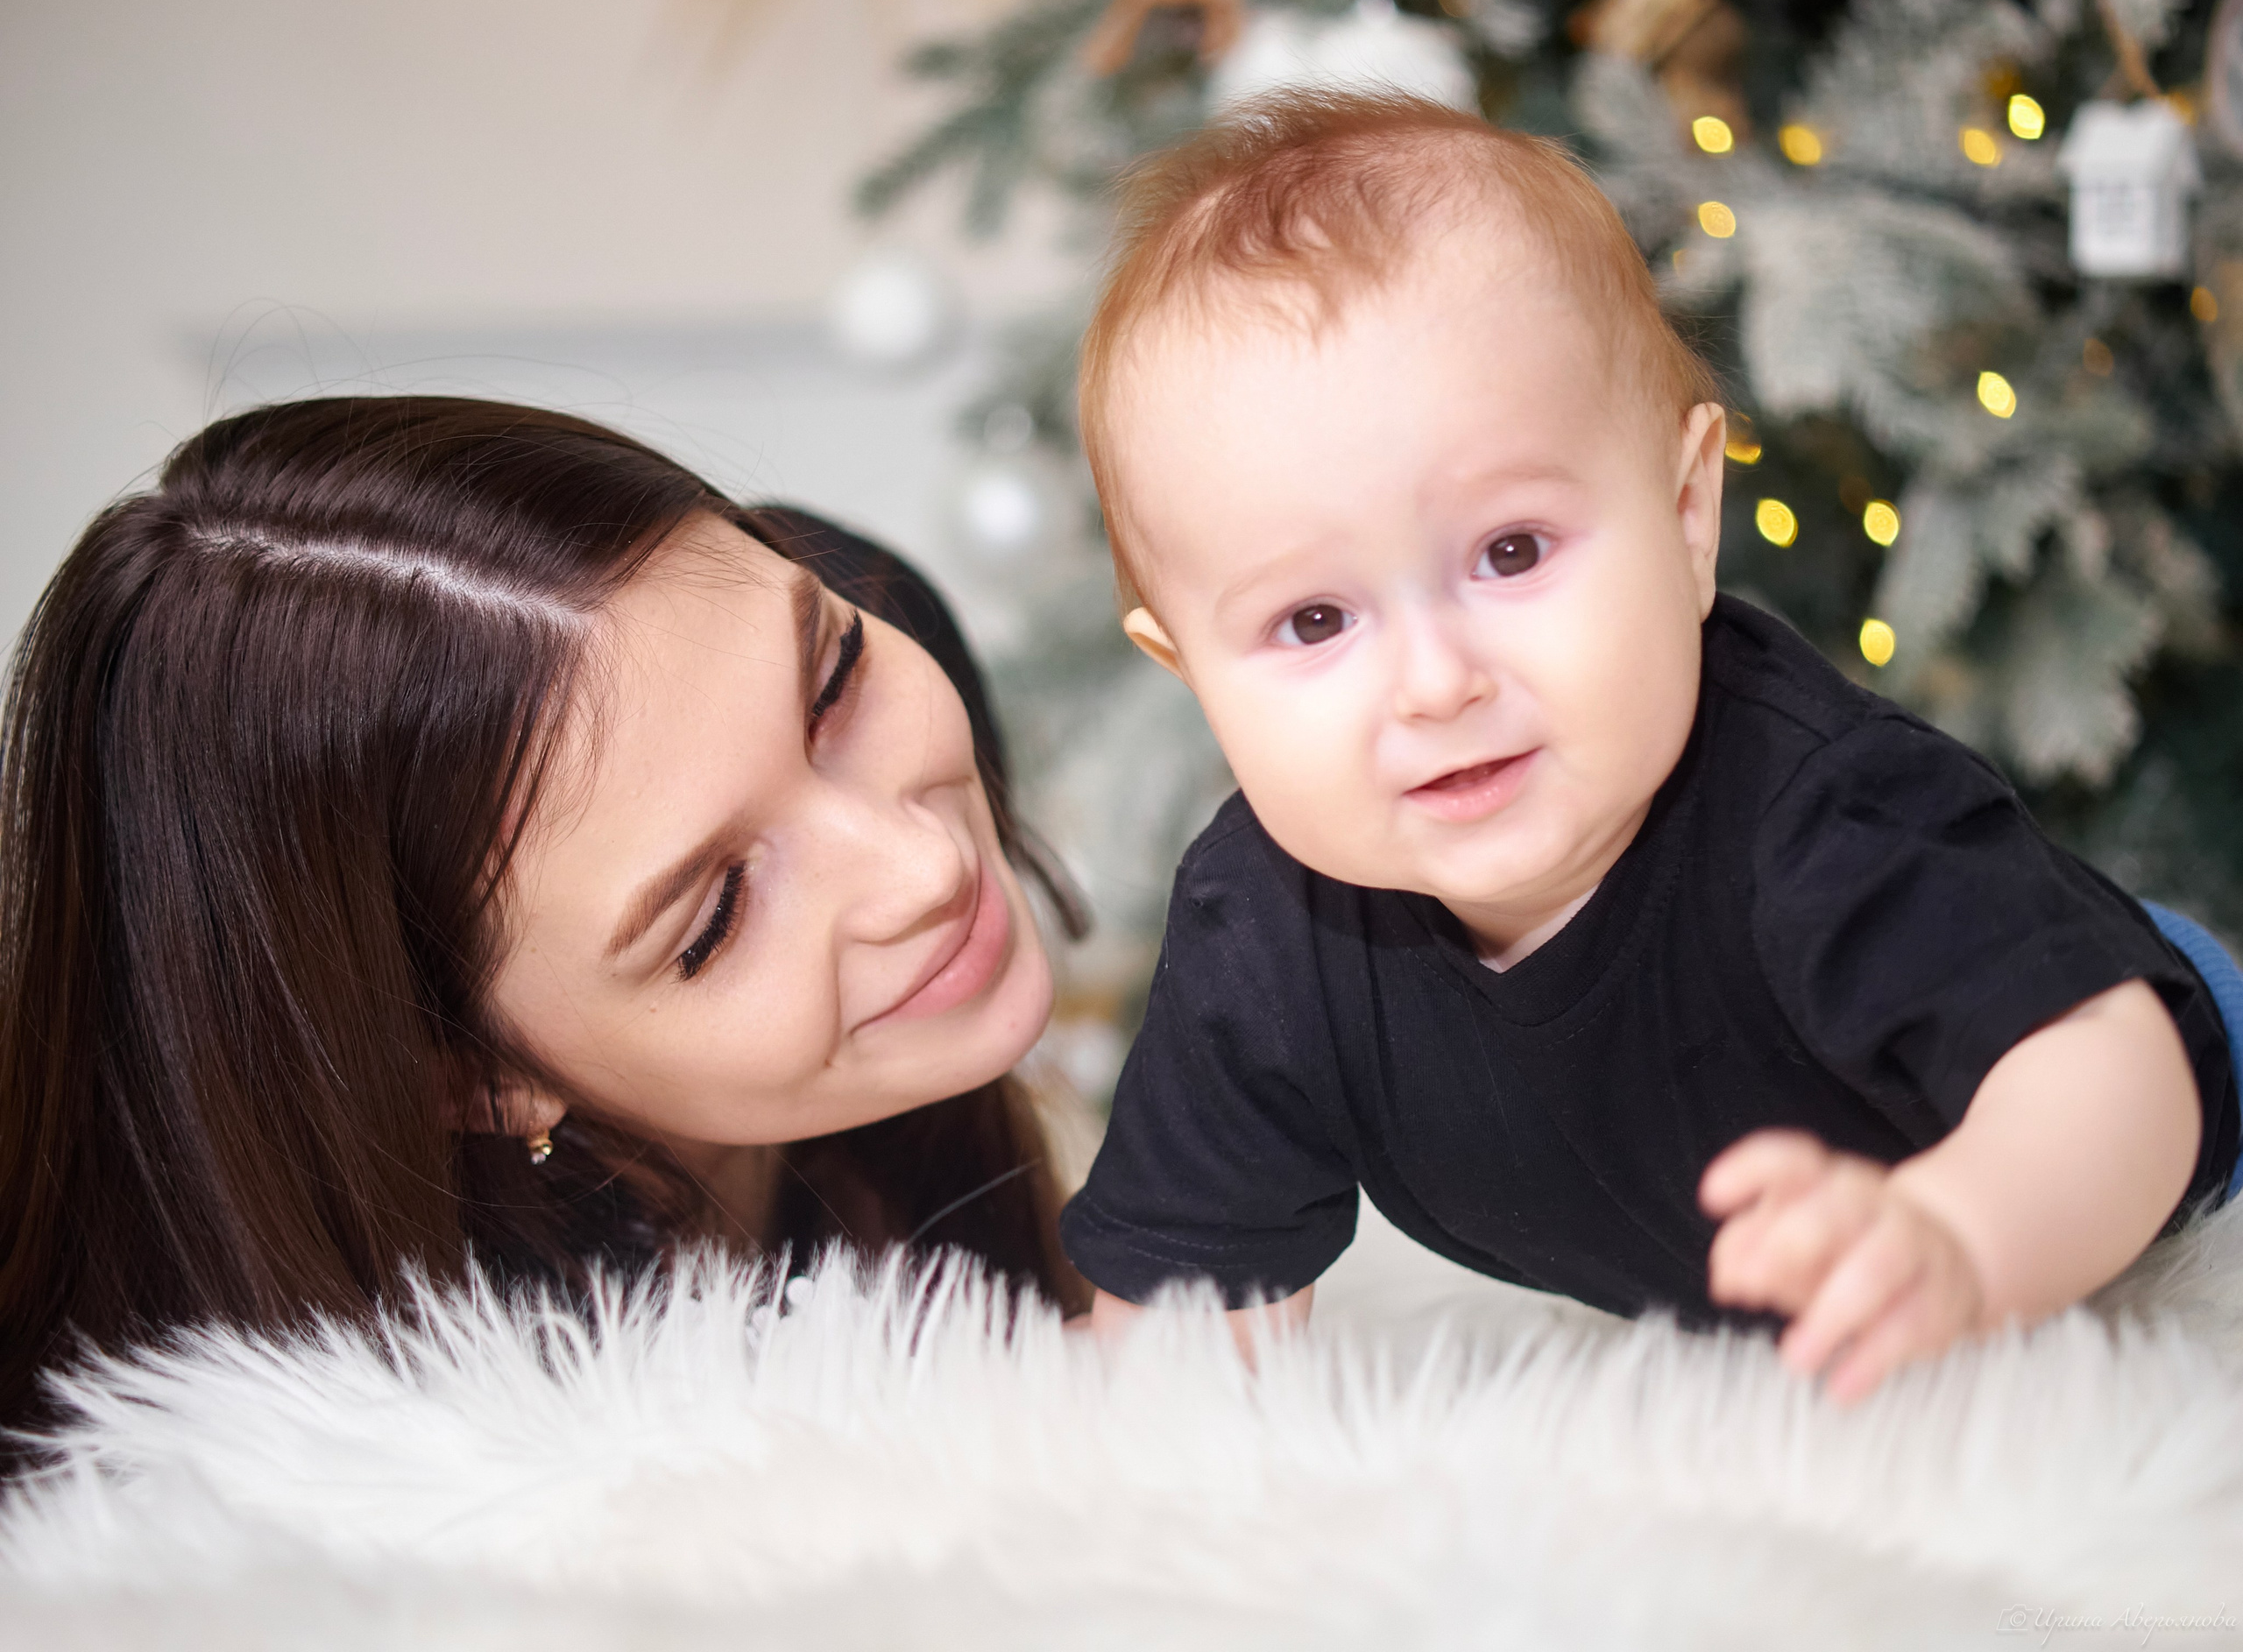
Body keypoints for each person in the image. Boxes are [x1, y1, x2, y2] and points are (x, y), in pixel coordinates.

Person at [1058, 93, 2243, 1401]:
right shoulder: (1264, 928)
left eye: (1510, 552)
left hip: (2147, 1057)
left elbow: (2112, 1073)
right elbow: (1180, 1320)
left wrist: (1964, 1235)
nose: (1438, 683)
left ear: (1688, 517)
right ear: (1189, 672)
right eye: (1313, 619)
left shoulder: (1824, 813)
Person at [0, 395, 1089, 1465]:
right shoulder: (465, 1478)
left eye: (833, 686)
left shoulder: (875, 603)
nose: (926, 868)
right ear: (473, 1078)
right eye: (713, 916)